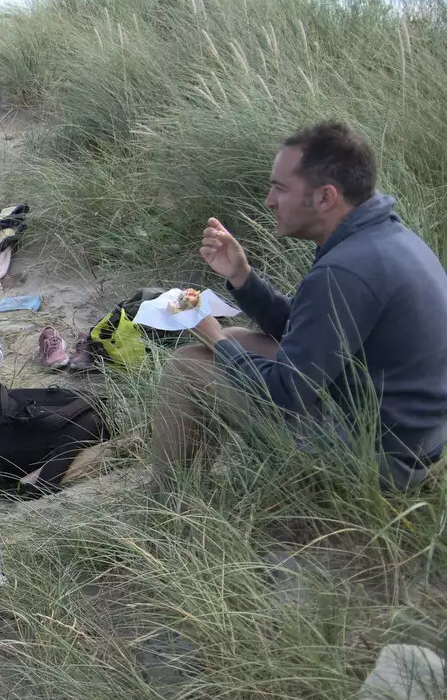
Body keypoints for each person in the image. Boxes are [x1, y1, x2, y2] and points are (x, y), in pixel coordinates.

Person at [157, 121, 447, 489]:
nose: (269, 200)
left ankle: (170, 503)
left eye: (280, 187)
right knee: (239, 339)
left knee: (188, 367)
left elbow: (287, 393)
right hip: (406, 438)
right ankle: (190, 484)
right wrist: (243, 279)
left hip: (378, 462)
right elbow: (309, 333)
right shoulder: (382, 238)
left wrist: (215, 339)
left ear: (325, 197)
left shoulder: (347, 269)